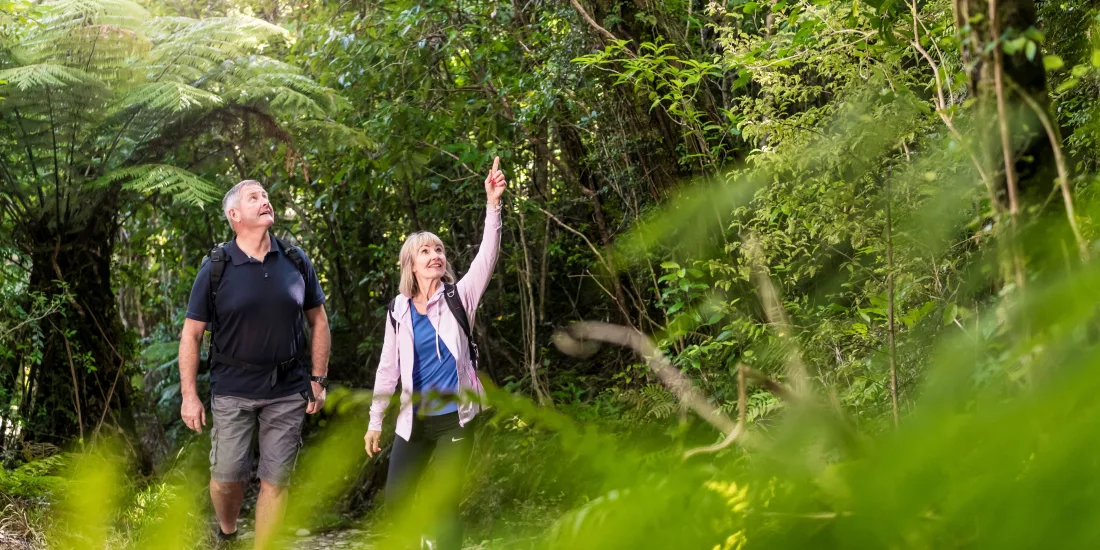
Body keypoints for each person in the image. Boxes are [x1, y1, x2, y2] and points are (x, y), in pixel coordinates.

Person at [178, 179, 331, 549]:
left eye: (265, 194)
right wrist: (189, 395)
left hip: (287, 388)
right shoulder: (216, 267)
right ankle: (228, 533)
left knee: (276, 480)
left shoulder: (295, 261)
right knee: (227, 478)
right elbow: (191, 334)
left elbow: (319, 321)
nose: (264, 201)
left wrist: (318, 378)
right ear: (234, 215)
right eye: (253, 197)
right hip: (232, 388)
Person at [365, 157, 506, 550]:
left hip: (456, 420)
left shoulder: (460, 296)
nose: (435, 256)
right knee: (396, 501)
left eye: (439, 250)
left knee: (445, 503)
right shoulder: (398, 310)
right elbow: (387, 370)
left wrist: (492, 204)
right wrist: (375, 422)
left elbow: (487, 254)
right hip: (415, 420)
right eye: (425, 251)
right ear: (411, 263)